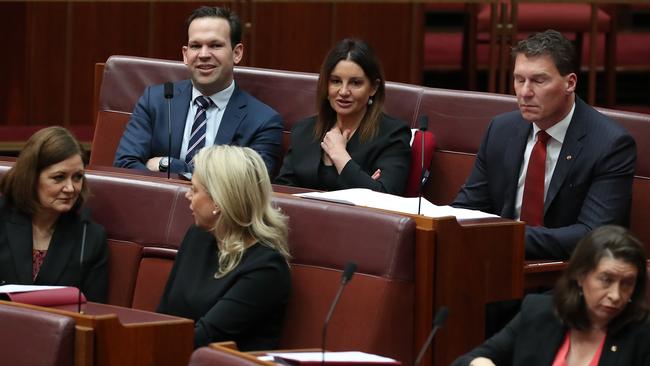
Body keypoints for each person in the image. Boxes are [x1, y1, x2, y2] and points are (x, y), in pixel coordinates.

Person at [452, 30, 636, 260]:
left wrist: (505, 238)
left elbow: (593, 235)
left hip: (566, 274)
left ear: (570, 83)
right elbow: (468, 208)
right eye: (519, 80)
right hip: (497, 263)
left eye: (539, 81)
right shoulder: (501, 130)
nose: (525, 92)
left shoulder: (610, 144)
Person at [114, 6, 283, 175]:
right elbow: (124, 164)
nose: (203, 54)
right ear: (185, 55)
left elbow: (251, 183)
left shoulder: (263, 121)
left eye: (215, 45)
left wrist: (170, 164)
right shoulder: (156, 100)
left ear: (237, 53)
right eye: (195, 46)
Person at [453, 225, 650, 366]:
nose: (616, 295)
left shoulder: (642, 335)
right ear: (580, 275)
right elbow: (468, 360)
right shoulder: (541, 312)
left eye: (627, 284)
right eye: (606, 280)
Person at [157, 145, 291, 350]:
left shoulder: (266, 268)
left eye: (194, 189)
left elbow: (206, 338)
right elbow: (164, 315)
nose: (187, 195)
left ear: (218, 201)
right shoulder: (197, 237)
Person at [274, 38, 411, 195]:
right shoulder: (304, 130)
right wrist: (364, 182)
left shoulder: (392, 135)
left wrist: (340, 156)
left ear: (373, 87)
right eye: (336, 81)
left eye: (355, 83)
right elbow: (283, 193)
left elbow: (385, 197)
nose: (344, 91)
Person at [0, 127, 108, 302]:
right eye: (59, 177)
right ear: (31, 177)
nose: (70, 188)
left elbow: (95, 311)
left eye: (78, 177)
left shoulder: (90, 237)